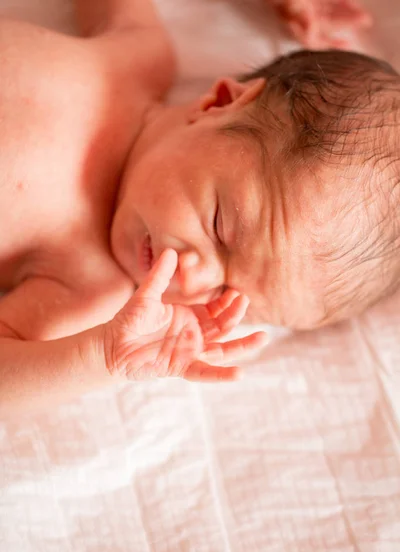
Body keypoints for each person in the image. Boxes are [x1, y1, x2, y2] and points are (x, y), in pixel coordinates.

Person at [0, 1, 397, 407]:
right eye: (220, 227)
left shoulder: (86, 286)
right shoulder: (138, 58)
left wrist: (101, 359)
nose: (190, 280)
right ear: (219, 103)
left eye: (222, 295)